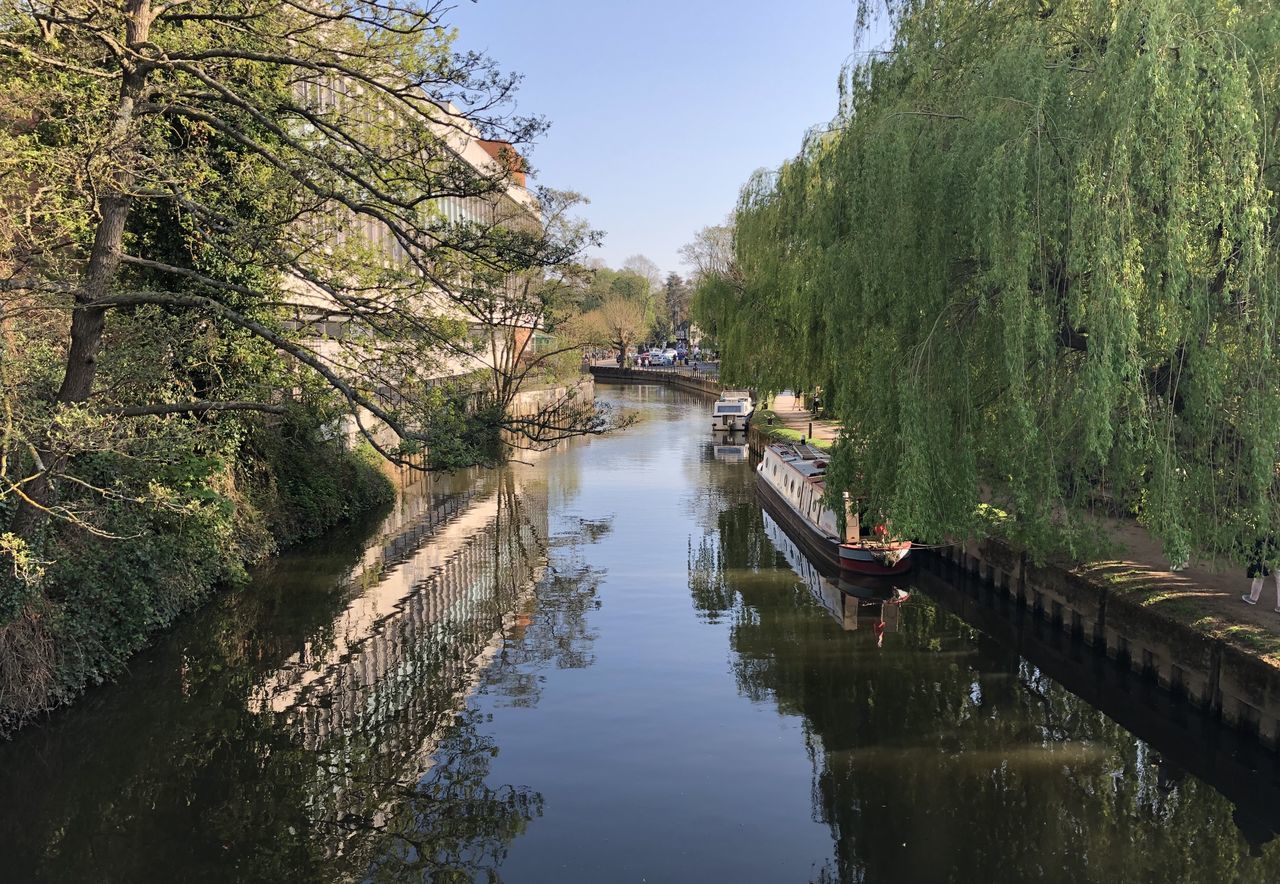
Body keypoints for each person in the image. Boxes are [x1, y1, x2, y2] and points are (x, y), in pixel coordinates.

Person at [1242, 535, 1280, 612]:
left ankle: (1253, 598)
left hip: (1267, 548)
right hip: (1275, 547)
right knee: (1278, 575)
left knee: (1260, 572)